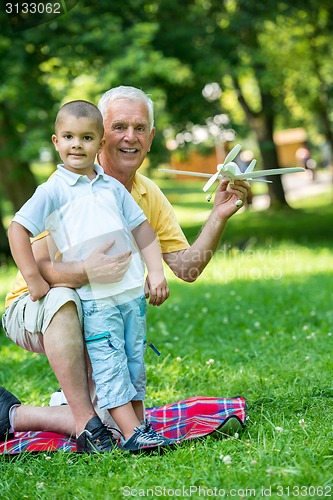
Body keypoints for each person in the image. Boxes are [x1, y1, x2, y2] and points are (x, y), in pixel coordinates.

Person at [1, 86, 250, 453]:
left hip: (100, 310)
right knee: (68, 297)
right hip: (41, 308)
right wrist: (88, 270)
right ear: (103, 134)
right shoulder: (65, 190)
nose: (130, 137)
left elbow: (187, 267)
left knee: (119, 426)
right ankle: (55, 418)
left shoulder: (144, 195)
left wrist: (218, 216)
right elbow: (42, 269)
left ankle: (38, 413)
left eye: (140, 127)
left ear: (150, 138)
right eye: (119, 126)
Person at [7, 100, 173, 452]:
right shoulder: (53, 191)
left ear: (99, 145)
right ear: (55, 141)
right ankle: (130, 435)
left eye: (85, 138)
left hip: (129, 295)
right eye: (68, 137)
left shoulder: (111, 188)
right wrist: (35, 281)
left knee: (133, 360)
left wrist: (156, 272)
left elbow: (143, 229)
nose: (76, 145)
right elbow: (17, 229)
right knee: (109, 360)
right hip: (95, 299)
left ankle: (139, 426)